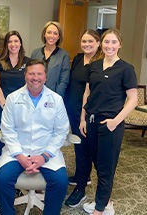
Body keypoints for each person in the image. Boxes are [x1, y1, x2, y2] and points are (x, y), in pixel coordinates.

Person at [0, 59, 69, 215]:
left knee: (61, 182)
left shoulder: (56, 100)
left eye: (39, 73)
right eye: (31, 73)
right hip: (18, 152)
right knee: (2, 179)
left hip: (46, 151)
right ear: (25, 75)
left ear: (46, 76)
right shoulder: (13, 98)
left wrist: (44, 156)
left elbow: (61, 131)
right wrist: (19, 156)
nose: (36, 77)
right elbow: (7, 129)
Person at [80, 28, 137, 215]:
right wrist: (83, 118)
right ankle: (106, 202)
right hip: (92, 121)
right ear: (101, 43)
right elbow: (87, 93)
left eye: (113, 42)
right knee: (97, 163)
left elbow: (133, 99)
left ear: (120, 44)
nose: (109, 46)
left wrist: (115, 121)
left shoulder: (126, 69)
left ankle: (99, 210)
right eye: (106, 42)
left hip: (111, 124)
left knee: (106, 167)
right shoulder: (94, 66)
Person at [64, 29, 102, 207]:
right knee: (78, 146)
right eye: (84, 41)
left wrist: (84, 117)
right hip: (72, 110)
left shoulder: (100, 63)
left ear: (98, 43)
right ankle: (83, 175)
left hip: (86, 114)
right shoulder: (79, 58)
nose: (86, 44)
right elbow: (72, 83)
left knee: (83, 147)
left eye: (90, 42)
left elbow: (92, 92)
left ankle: (80, 189)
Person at [0, 30, 29, 160]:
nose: (13, 44)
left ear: (20, 43)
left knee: (20, 137)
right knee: (2, 138)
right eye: (10, 41)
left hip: (22, 107)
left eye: (16, 41)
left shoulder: (28, 62)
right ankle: (0, 167)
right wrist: (6, 106)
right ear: (6, 44)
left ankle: (19, 165)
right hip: (2, 106)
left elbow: (31, 85)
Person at [31, 21, 70, 98]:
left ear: (59, 36)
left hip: (54, 97)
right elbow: (30, 75)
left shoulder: (64, 55)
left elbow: (64, 81)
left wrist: (56, 98)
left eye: (55, 33)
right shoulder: (35, 53)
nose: (52, 36)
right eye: (49, 32)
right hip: (35, 96)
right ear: (44, 34)